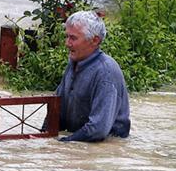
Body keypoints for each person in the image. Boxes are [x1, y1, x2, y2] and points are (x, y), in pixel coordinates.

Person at [50, 10, 130, 142]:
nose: (67, 43)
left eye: (73, 38)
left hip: (106, 149)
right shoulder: (74, 63)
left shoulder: (105, 72)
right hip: (79, 140)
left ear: (94, 40)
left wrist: (63, 144)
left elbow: (98, 130)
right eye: (67, 36)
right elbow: (57, 111)